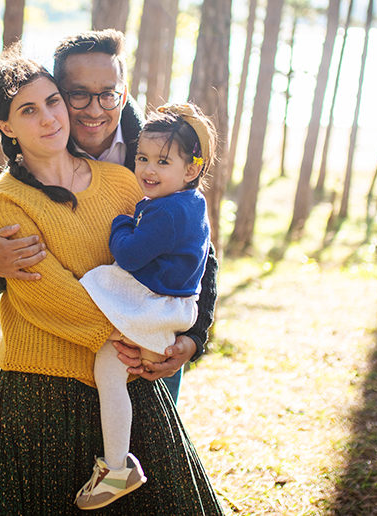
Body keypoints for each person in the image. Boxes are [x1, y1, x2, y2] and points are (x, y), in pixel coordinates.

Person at [0, 52, 223, 514]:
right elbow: (44, 291)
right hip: (43, 392)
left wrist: (187, 337)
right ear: (6, 126)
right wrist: (138, 332)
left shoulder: (124, 180)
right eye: (29, 110)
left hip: (128, 380)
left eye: (52, 102)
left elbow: (191, 256)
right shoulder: (0, 199)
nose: (50, 117)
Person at [0, 29, 218, 403]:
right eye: (78, 95)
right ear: (60, 92)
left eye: (108, 94)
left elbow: (199, 248)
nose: (94, 109)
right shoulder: (44, 140)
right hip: (85, 348)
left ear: (122, 91)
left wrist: (194, 338)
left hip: (157, 338)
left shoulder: (157, 146)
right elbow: (29, 256)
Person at [75, 103, 217, 510]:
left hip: (155, 307)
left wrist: (121, 223)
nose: (148, 170)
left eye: (162, 162)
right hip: (168, 307)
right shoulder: (189, 203)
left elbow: (132, 255)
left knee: (98, 305)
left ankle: (117, 467)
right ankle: (118, 464)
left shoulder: (168, 211)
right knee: (110, 368)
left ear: (190, 170)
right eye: (142, 158)